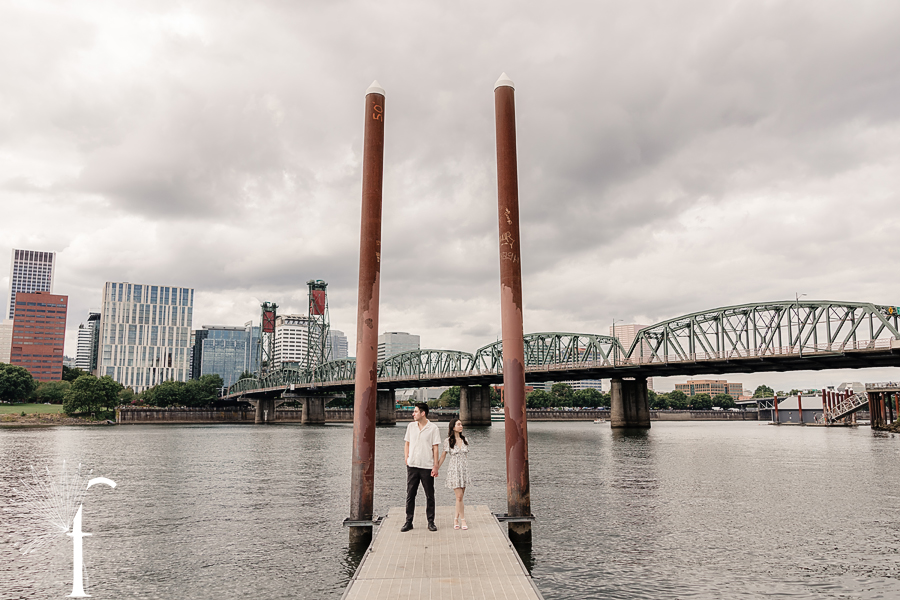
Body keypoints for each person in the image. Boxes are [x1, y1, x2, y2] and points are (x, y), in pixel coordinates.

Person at [402, 403, 442, 532]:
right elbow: (407, 443)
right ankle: (408, 522)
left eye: (415, 411)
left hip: (426, 466)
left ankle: (431, 522)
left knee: (429, 495)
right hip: (412, 465)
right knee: (410, 495)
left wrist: (435, 466)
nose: (413, 414)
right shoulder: (411, 426)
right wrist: (406, 459)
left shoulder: (433, 428)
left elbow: (435, 448)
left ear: (423, 413)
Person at [438, 418, 471, 530]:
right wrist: (436, 468)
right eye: (458, 424)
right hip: (454, 470)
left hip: (464, 470)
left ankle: (455, 519)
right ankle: (463, 520)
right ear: (453, 427)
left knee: (460, 499)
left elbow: (465, 456)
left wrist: (465, 469)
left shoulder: (465, 439)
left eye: (461, 424)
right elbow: (443, 456)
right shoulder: (448, 441)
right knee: (459, 496)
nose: (461, 426)